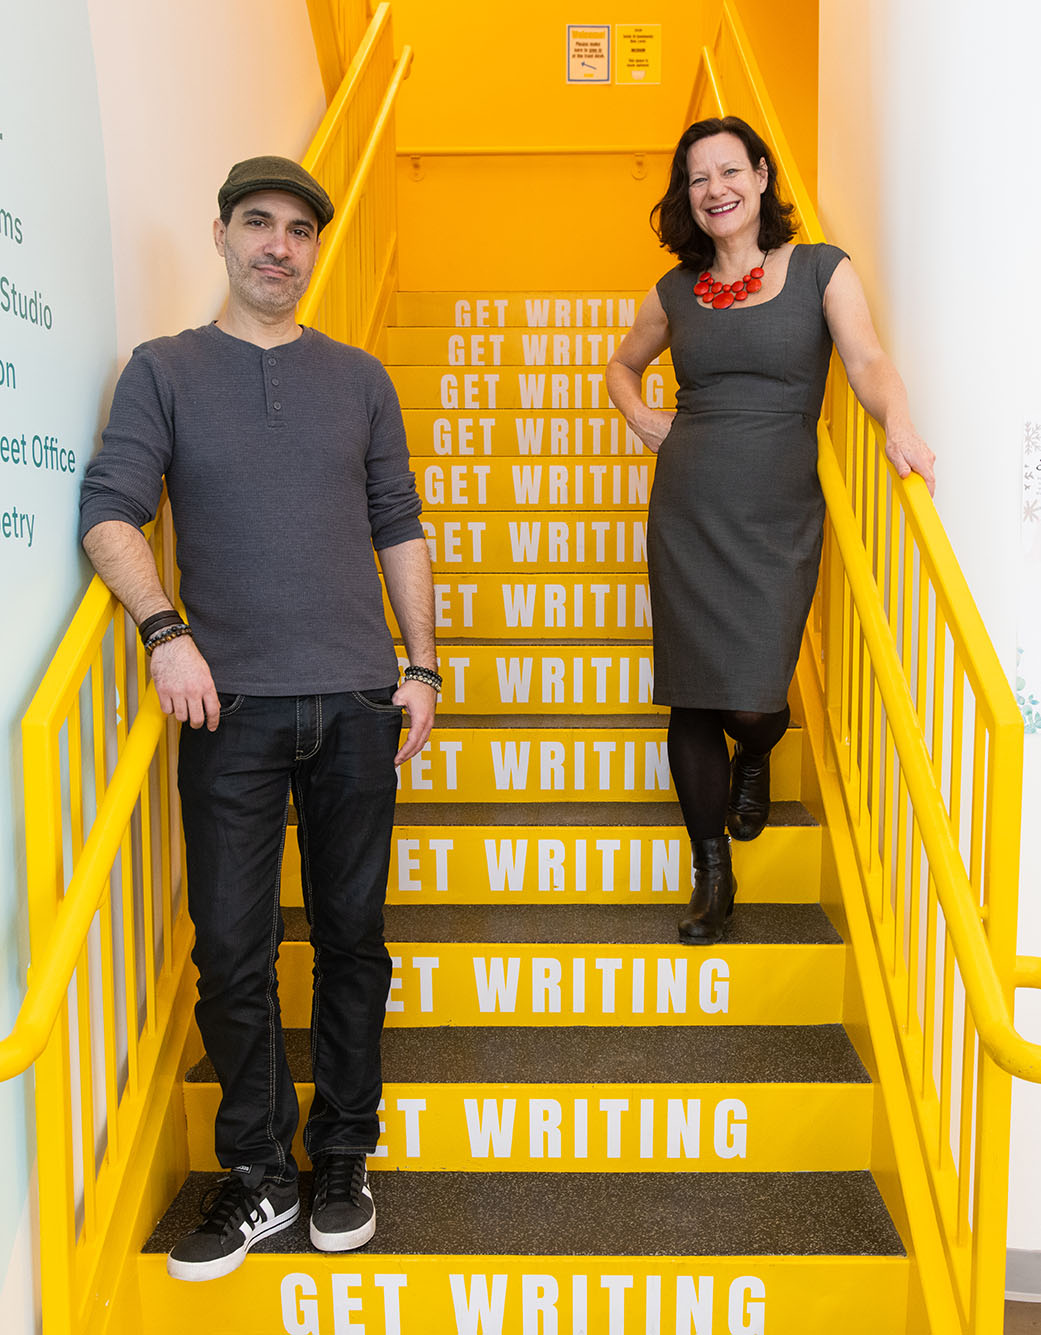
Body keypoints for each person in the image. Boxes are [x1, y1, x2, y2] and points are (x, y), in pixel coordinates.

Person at [79, 156, 440, 1280]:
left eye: (299, 231)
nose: (279, 246)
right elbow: (109, 514)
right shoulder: (164, 371)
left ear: (316, 249)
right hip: (224, 709)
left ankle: (340, 1155)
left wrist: (422, 668)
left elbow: (398, 523)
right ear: (224, 235)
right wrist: (162, 629)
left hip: (355, 699)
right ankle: (259, 1177)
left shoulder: (361, 377)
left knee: (351, 944)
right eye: (258, 224)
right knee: (231, 953)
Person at [606, 117, 934, 946]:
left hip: (777, 509)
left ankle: (757, 748)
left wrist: (896, 420)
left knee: (754, 697)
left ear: (759, 175)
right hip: (687, 505)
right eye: (695, 179)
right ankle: (711, 871)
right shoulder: (674, 290)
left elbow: (864, 362)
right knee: (688, 693)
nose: (713, 190)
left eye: (728, 171)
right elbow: (620, 364)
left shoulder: (823, 269)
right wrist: (642, 415)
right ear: (686, 196)